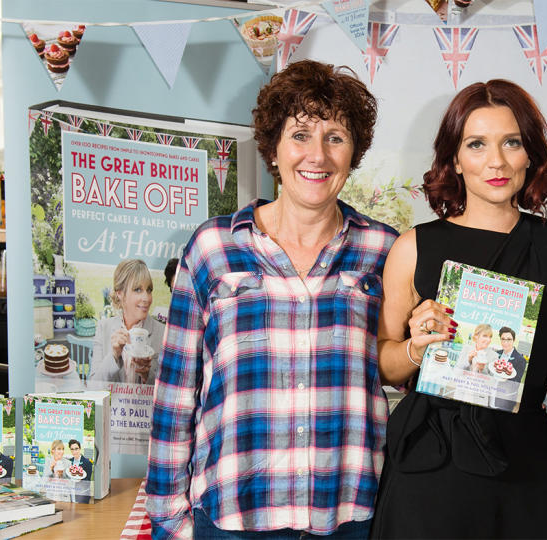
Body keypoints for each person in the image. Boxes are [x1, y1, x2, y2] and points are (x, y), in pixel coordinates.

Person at [146, 60, 398, 539]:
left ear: (354, 152)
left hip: (348, 517)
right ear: (274, 147)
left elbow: (406, 373)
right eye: (300, 135)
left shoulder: (386, 251)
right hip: (234, 515)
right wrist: (169, 520)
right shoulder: (212, 249)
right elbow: (176, 396)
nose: (317, 155)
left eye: (336, 138)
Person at [370, 79, 547, 538]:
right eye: (476, 144)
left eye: (512, 142)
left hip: (526, 458)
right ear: (454, 159)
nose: (497, 161)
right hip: (433, 461)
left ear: (530, 153)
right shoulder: (414, 247)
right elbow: (386, 367)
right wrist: (415, 346)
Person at [90, 259, 166, 384]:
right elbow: (93, 387)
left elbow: (167, 391)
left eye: (149, 290)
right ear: (120, 293)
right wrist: (114, 355)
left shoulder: (162, 332)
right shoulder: (104, 328)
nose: (146, 298)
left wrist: (148, 375)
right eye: (138, 290)